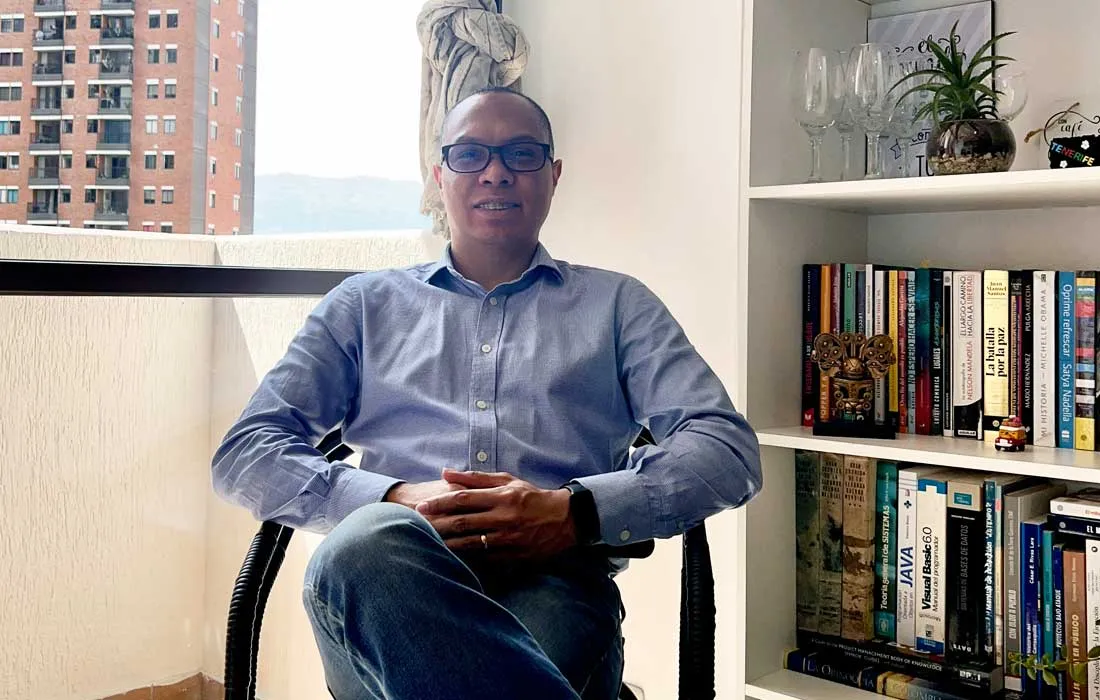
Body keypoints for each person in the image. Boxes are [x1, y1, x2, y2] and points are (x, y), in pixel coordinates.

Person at [211, 87, 762, 700]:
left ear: (553, 176)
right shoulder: (363, 306)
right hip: (385, 585)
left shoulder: (617, 306)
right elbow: (246, 453)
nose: (495, 173)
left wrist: (574, 511)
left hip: (556, 585)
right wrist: (395, 500)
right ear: (439, 176)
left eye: (521, 154)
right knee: (363, 545)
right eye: (470, 154)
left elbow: (726, 450)